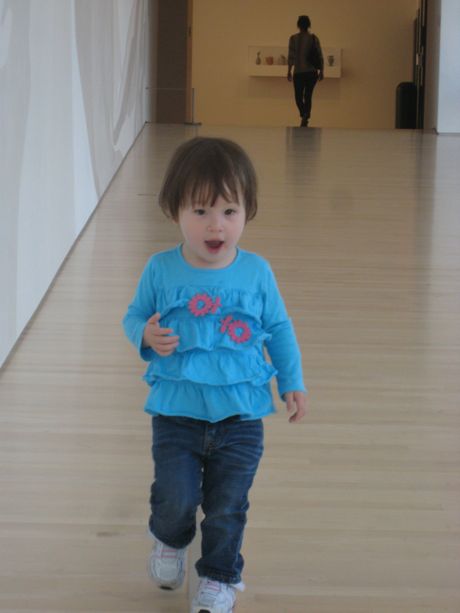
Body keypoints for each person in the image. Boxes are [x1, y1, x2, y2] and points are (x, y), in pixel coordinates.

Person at [122, 136, 307, 613]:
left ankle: (220, 576)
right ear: (174, 210)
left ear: (248, 211)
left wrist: (292, 381)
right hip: (176, 414)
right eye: (201, 210)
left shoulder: (257, 273)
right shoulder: (160, 269)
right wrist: (146, 334)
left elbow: (279, 329)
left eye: (229, 210)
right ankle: (170, 538)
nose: (216, 225)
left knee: (228, 506)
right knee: (175, 497)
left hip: (241, 417)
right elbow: (133, 316)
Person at [287, 15, 324, 127]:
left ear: (298, 25)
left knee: (298, 97)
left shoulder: (293, 38)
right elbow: (319, 55)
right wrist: (322, 71)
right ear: (309, 25)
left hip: (298, 72)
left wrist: (289, 70)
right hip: (311, 72)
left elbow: (291, 56)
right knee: (308, 96)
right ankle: (305, 115)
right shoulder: (314, 38)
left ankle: (304, 115)